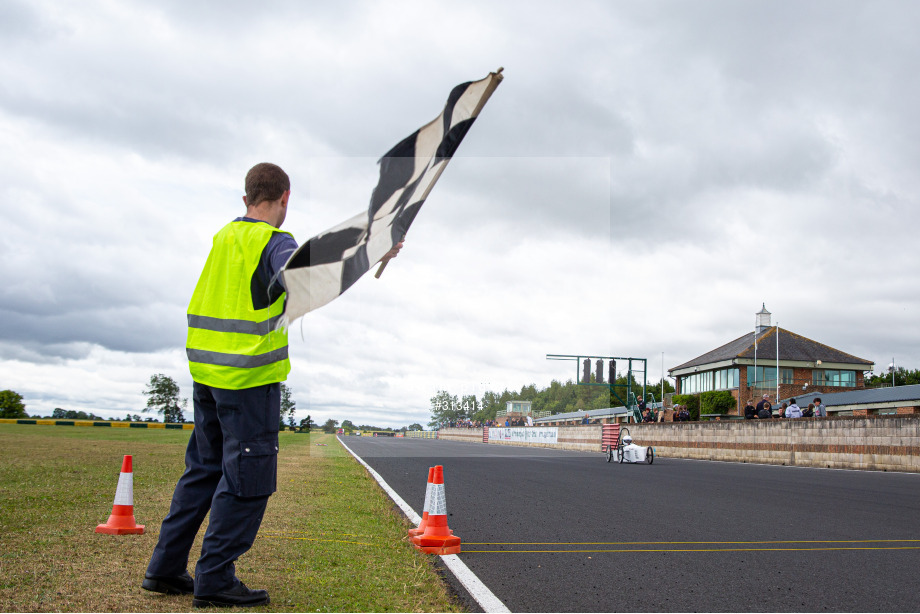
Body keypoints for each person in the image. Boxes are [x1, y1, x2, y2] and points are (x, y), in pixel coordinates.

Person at [142, 163, 400, 608]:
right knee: (247, 478)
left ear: (246, 199)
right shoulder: (276, 241)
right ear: (285, 197)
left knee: (202, 472)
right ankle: (215, 577)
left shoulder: (224, 236)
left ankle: (164, 569)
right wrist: (372, 251)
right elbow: (303, 276)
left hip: (205, 376)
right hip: (249, 379)